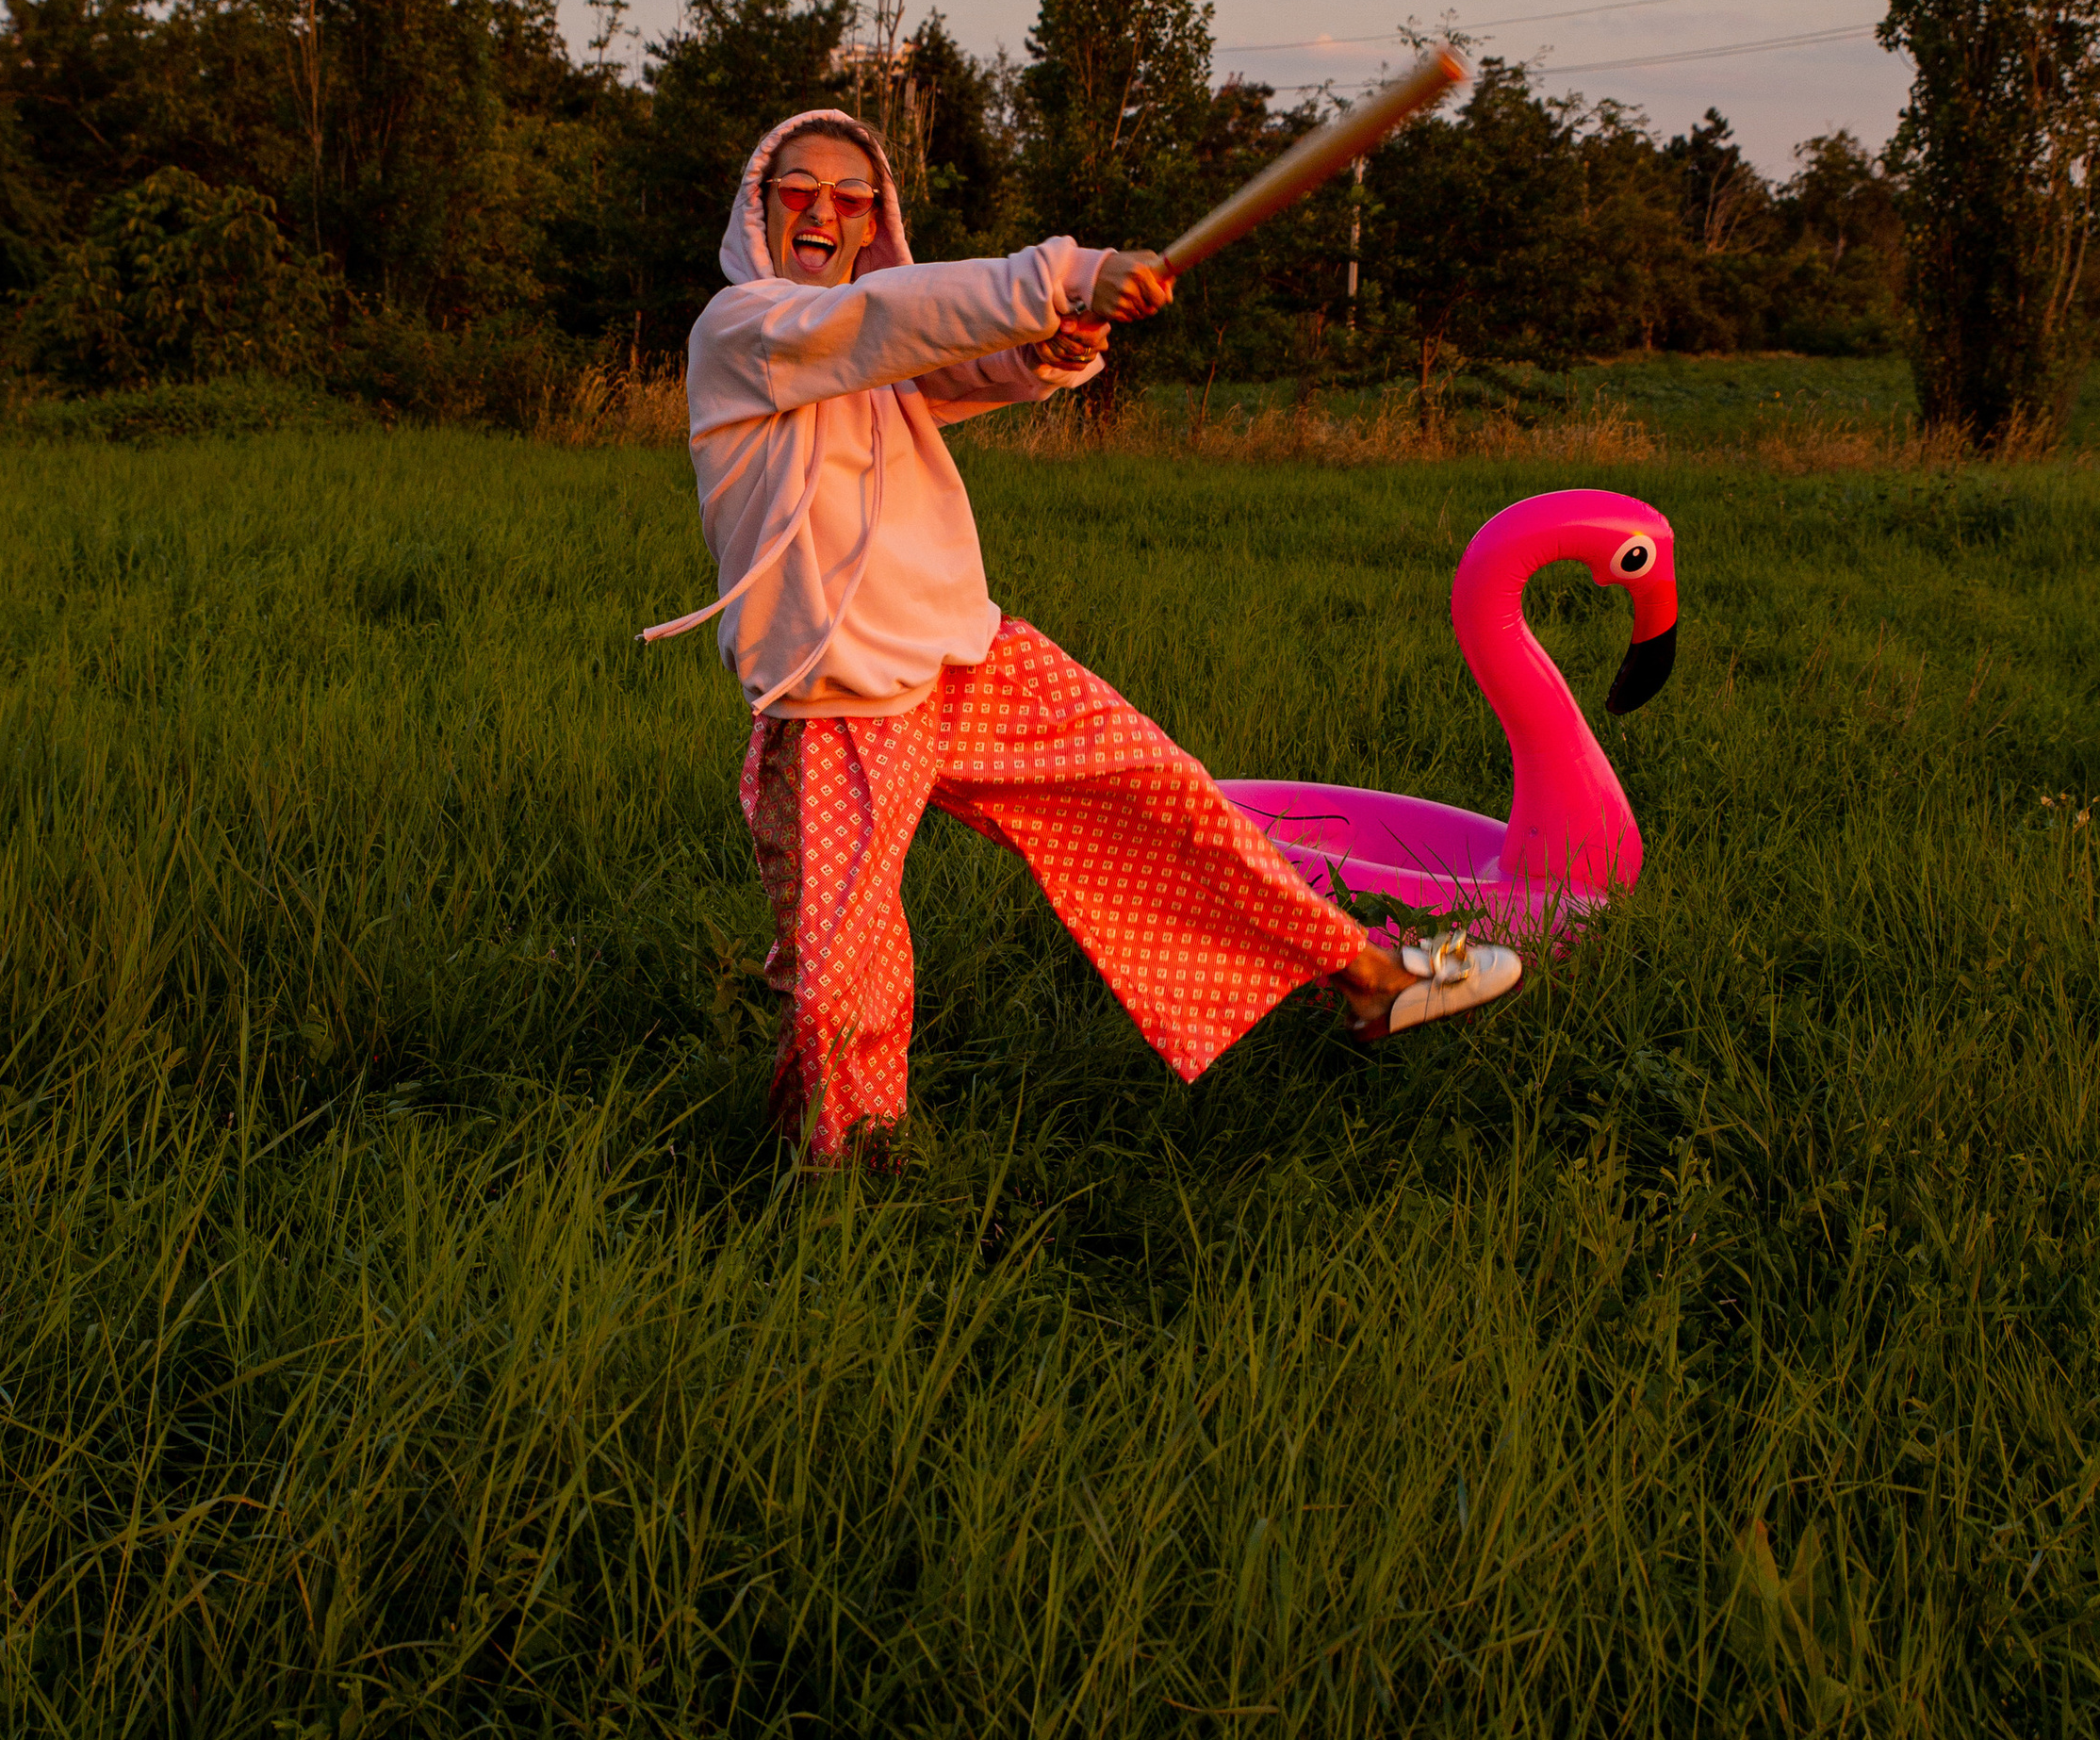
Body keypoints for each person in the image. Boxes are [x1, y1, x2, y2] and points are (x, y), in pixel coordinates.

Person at [644, 108, 1519, 1164]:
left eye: (850, 193)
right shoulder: (745, 329)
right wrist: (1069, 273)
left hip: (962, 655)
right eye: (797, 188)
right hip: (839, 697)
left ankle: (1366, 979)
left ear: (876, 216)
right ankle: (846, 1180)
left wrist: (1053, 344)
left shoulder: (871, 348)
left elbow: (953, 365)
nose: (823, 209)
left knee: (1161, 794)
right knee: (843, 973)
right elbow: (886, 322)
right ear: (758, 206)